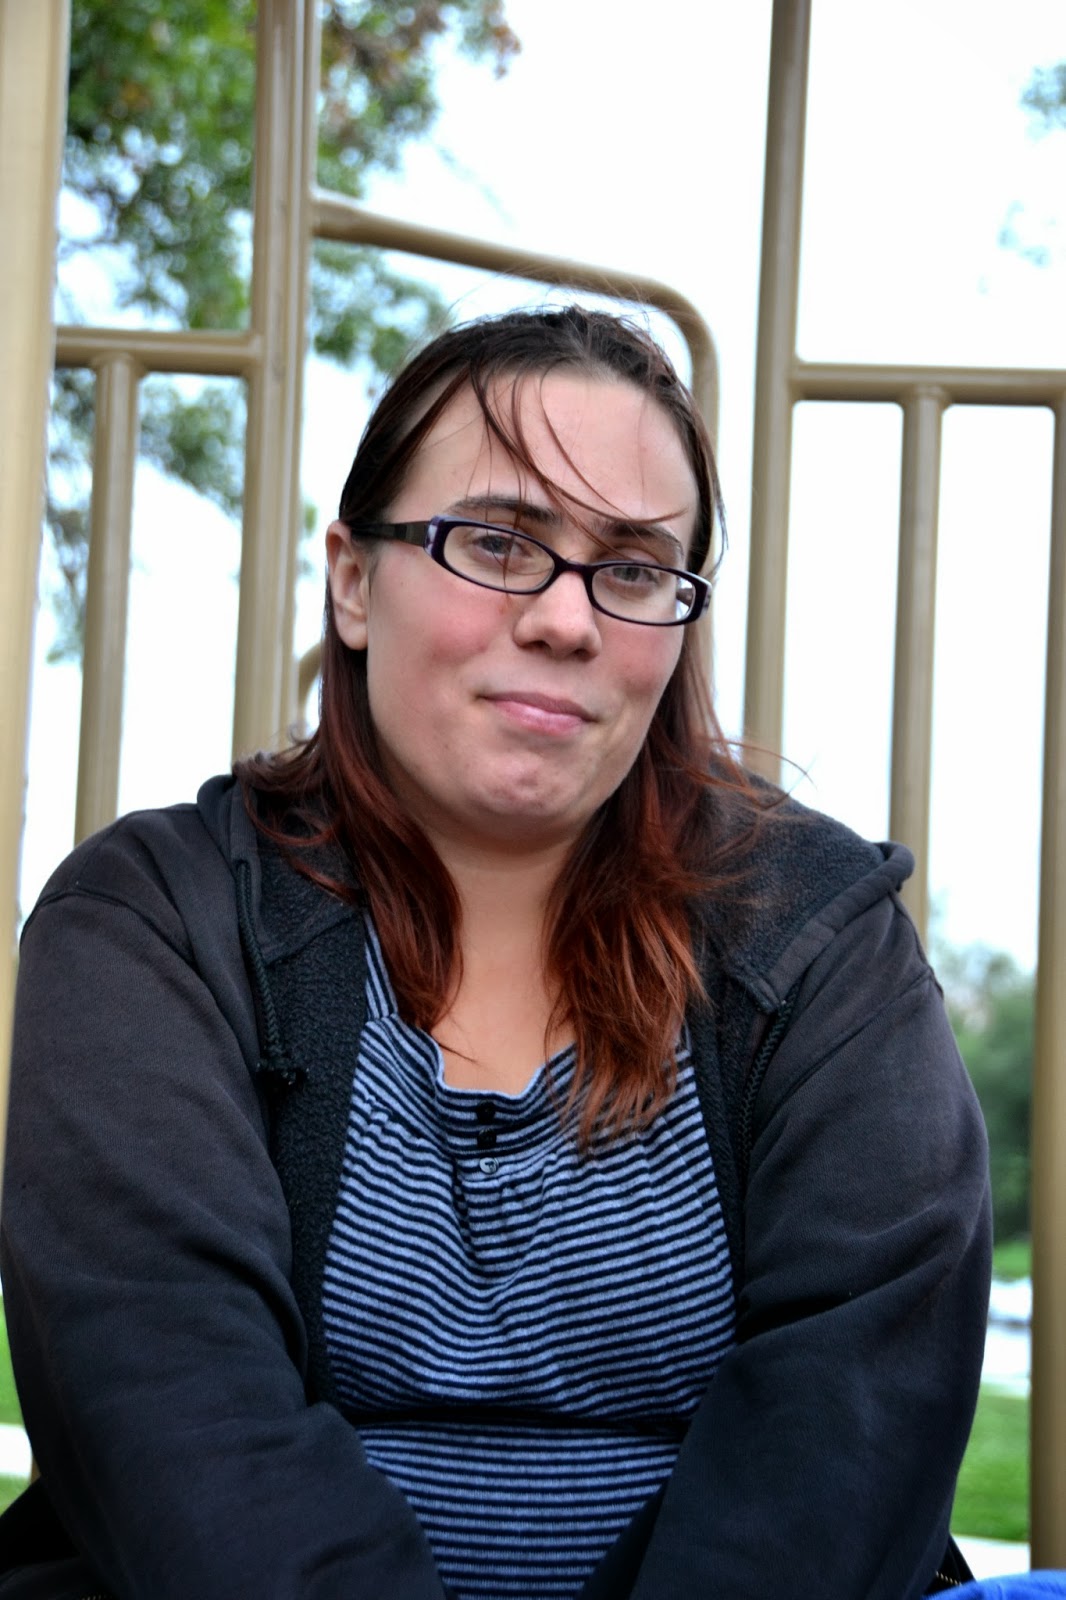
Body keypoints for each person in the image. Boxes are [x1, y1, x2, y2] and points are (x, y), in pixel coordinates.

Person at [0, 306, 991, 1600]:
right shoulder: (152, 922)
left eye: (632, 568)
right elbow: (176, 1418)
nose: (568, 621)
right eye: (499, 543)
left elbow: (850, 1424)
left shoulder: (817, 941)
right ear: (353, 581)